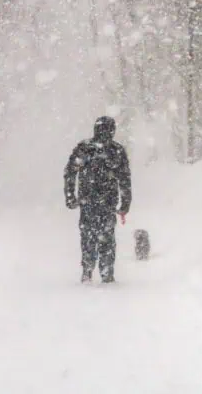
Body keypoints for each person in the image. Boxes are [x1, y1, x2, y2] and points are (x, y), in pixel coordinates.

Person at [64, 116, 132, 284]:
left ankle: (88, 271)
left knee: (88, 236)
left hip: (88, 202)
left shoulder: (84, 148)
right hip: (107, 202)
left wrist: (70, 196)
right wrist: (125, 203)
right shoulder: (116, 151)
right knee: (106, 238)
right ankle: (106, 273)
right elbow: (124, 180)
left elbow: (70, 173)